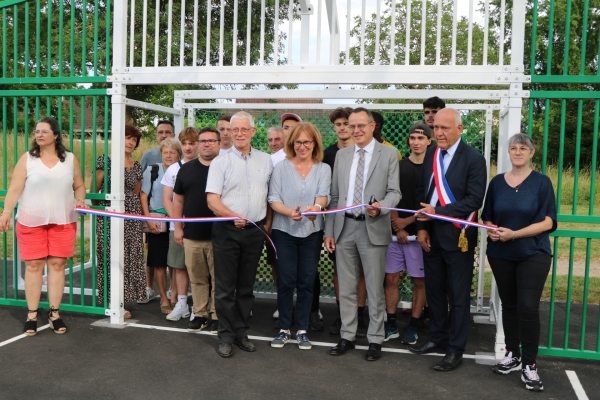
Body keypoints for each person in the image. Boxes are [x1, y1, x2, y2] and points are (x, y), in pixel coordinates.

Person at [409, 108, 487, 372]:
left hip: (457, 237)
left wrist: (437, 213)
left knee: (459, 295)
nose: (438, 133)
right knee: (434, 291)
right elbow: (423, 192)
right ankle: (438, 338)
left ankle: (456, 349)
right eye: (436, 128)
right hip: (430, 236)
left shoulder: (474, 159)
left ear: (459, 129)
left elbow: (474, 200)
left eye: (445, 128)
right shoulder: (431, 153)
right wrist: (421, 227)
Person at [324, 107, 401, 362]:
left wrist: (381, 205)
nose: (354, 130)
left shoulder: (389, 153)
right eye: (350, 126)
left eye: (359, 126)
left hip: (373, 227)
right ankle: (347, 335)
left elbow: (395, 192)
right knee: (346, 287)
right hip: (345, 228)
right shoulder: (342, 156)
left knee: (374, 287)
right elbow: (334, 197)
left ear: (372, 126)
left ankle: (375, 339)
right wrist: (330, 230)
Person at [482, 133, 557, 392]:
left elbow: (549, 221)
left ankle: (530, 365)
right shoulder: (497, 183)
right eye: (513, 148)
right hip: (501, 254)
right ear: (508, 152)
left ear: (531, 153)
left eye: (522, 148)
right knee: (510, 305)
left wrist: (514, 234)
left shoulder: (542, 182)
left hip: (533, 252)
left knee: (527, 307)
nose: (517, 152)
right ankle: (512, 354)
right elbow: (487, 216)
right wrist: (491, 229)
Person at [0, 117, 87, 335]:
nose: (39, 135)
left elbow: (79, 185)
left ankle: (54, 314)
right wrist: (7, 212)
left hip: (63, 221)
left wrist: (80, 198)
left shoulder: (70, 159)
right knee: (34, 266)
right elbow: (14, 189)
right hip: (31, 221)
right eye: (37, 131)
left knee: (57, 266)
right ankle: (31, 314)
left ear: (55, 135)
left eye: (44, 131)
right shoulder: (28, 159)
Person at [206, 111, 273, 358]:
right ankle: (225, 336)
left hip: (254, 231)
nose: (240, 134)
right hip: (226, 231)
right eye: (235, 130)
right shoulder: (219, 163)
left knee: (246, 287)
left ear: (253, 132)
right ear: (229, 132)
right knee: (224, 288)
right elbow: (212, 200)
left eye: (245, 129)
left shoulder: (266, 161)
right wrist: (231, 215)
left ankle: (241, 332)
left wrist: (265, 224)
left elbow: (269, 196)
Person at [268, 122, 331, 350]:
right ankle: (284, 328)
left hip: (312, 233)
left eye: (307, 142)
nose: (302, 146)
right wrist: (288, 213)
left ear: (314, 144)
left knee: (306, 281)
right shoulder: (281, 167)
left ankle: (302, 329)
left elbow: (324, 196)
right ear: (291, 144)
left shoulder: (323, 169)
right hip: (283, 231)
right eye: (298, 142)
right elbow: (273, 198)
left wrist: (316, 207)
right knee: (286, 280)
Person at [384, 123, 432, 344]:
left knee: (419, 281)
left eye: (421, 138)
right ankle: (391, 323)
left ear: (429, 141)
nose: (416, 142)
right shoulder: (398, 165)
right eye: (412, 138)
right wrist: (398, 225)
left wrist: (410, 222)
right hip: (395, 234)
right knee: (391, 278)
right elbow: (390, 195)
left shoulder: (434, 170)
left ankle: (414, 324)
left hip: (419, 235)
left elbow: (431, 204)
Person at [322, 107, 368, 336]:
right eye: (338, 124)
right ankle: (343, 315)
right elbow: (332, 194)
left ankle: (360, 314)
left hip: (365, 222)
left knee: (361, 271)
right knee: (340, 271)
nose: (343, 128)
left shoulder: (366, 152)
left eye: (346, 124)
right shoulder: (328, 154)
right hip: (339, 222)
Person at [95, 124, 147, 318]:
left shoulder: (137, 165)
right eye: (127, 138)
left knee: (131, 256)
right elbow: (95, 189)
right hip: (110, 214)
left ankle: (124, 298)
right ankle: (111, 300)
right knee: (110, 255)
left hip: (131, 216)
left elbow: (135, 193)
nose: (130, 142)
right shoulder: (105, 161)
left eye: (134, 140)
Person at [173, 127, 221, 334]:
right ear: (198, 144)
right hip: (192, 235)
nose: (207, 144)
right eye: (203, 141)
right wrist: (178, 228)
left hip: (220, 235)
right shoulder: (186, 169)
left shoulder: (225, 167)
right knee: (198, 278)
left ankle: (218, 315)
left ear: (219, 143)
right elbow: (179, 200)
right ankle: (200, 314)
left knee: (219, 279)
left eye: (211, 141)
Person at [161, 127, 201, 321]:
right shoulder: (174, 168)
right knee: (179, 266)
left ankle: (199, 306)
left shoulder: (208, 166)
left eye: (192, 143)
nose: (188, 147)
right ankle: (182, 303)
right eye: (184, 143)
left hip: (200, 227)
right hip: (177, 228)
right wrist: (178, 222)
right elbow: (167, 199)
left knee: (200, 268)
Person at [140, 138, 182, 315]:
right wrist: (148, 219)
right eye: (165, 152)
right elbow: (143, 196)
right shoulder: (153, 170)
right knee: (158, 262)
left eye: (172, 152)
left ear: (178, 154)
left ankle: (174, 296)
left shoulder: (183, 169)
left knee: (175, 263)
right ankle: (163, 298)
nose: (169, 155)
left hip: (177, 222)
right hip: (157, 221)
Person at [270, 113, 302, 320]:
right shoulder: (272, 160)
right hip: (279, 225)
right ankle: (285, 305)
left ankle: (309, 308)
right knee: (280, 266)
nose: (287, 130)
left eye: (292, 127)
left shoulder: (312, 157)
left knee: (306, 271)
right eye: (285, 127)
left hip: (306, 225)